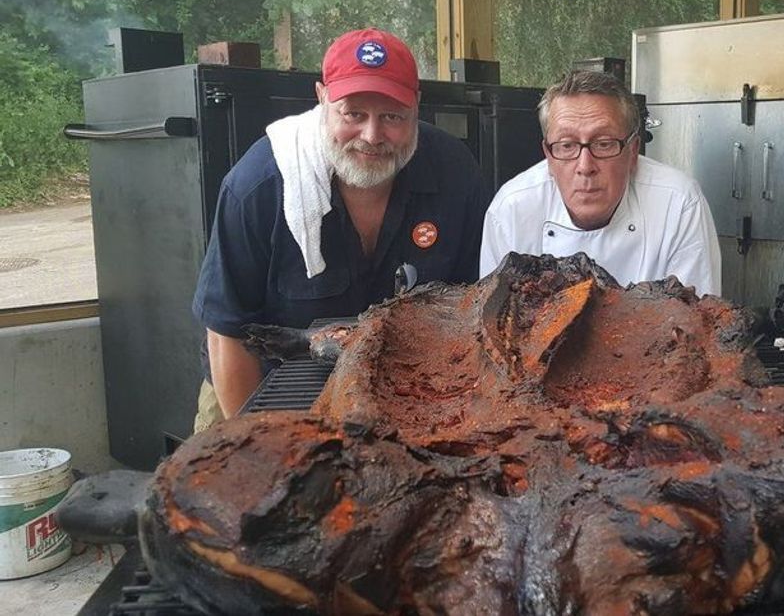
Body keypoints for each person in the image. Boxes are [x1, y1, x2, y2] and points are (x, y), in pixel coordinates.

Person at [191, 28, 488, 431]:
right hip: (258, 387)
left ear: (416, 107)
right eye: (353, 114)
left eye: (391, 116)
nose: (372, 136)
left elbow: (469, 310)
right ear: (322, 98)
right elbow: (227, 332)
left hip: (403, 390)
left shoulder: (455, 174)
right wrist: (257, 444)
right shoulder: (257, 188)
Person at [480, 70, 720, 296]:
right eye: (567, 145)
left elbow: (695, 326)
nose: (585, 166)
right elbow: (494, 327)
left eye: (604, 143)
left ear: (633, 150)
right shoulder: (510, 210)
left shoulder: (678, 203)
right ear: (549, 156)